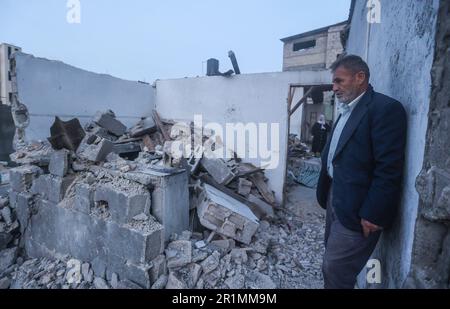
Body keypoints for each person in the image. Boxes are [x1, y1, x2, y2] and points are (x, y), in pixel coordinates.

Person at [316, 55, 407, 289]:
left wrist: (374, 213)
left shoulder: (385, 109)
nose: (334, 87)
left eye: (339, 81)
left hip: (359, 207)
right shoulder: (347, 109)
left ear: (360, 77)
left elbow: (389, 168)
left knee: (335, 268)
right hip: (336, 196)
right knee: (333, 260)